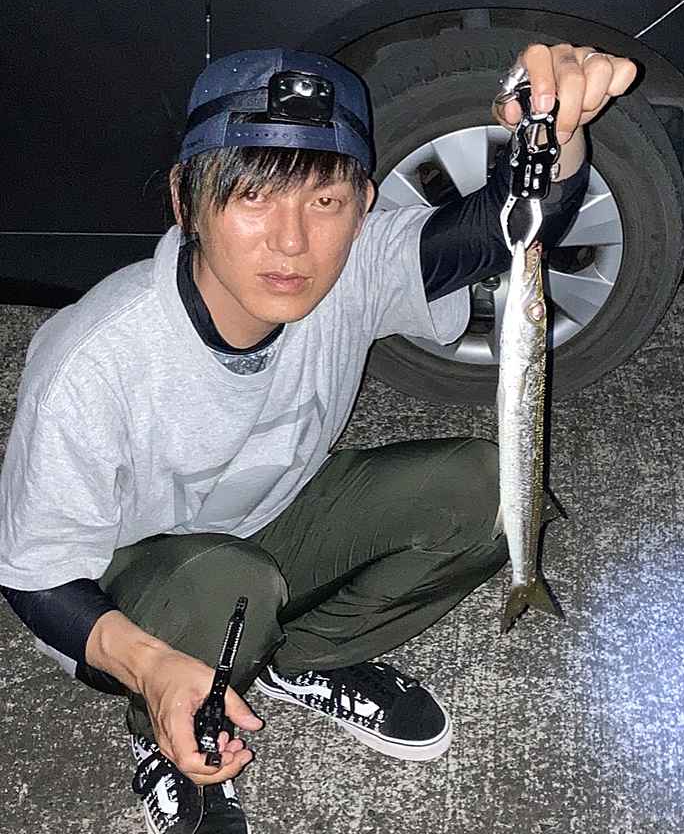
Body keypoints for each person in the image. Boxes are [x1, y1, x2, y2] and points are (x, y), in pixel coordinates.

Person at [0, 43, 636, 834]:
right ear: (184, 199)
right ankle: (169, 736)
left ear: (363, 204)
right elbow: (35, 577)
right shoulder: (92, 361)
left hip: (274, 518)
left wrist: (556, 136)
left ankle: (298, 660)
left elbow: (498, 229)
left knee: (489, 492)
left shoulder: (355, 265)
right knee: (227, 585)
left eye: (326, 200)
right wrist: (152, 667)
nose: (293, 242)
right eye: (253, 197)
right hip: (132, 585)